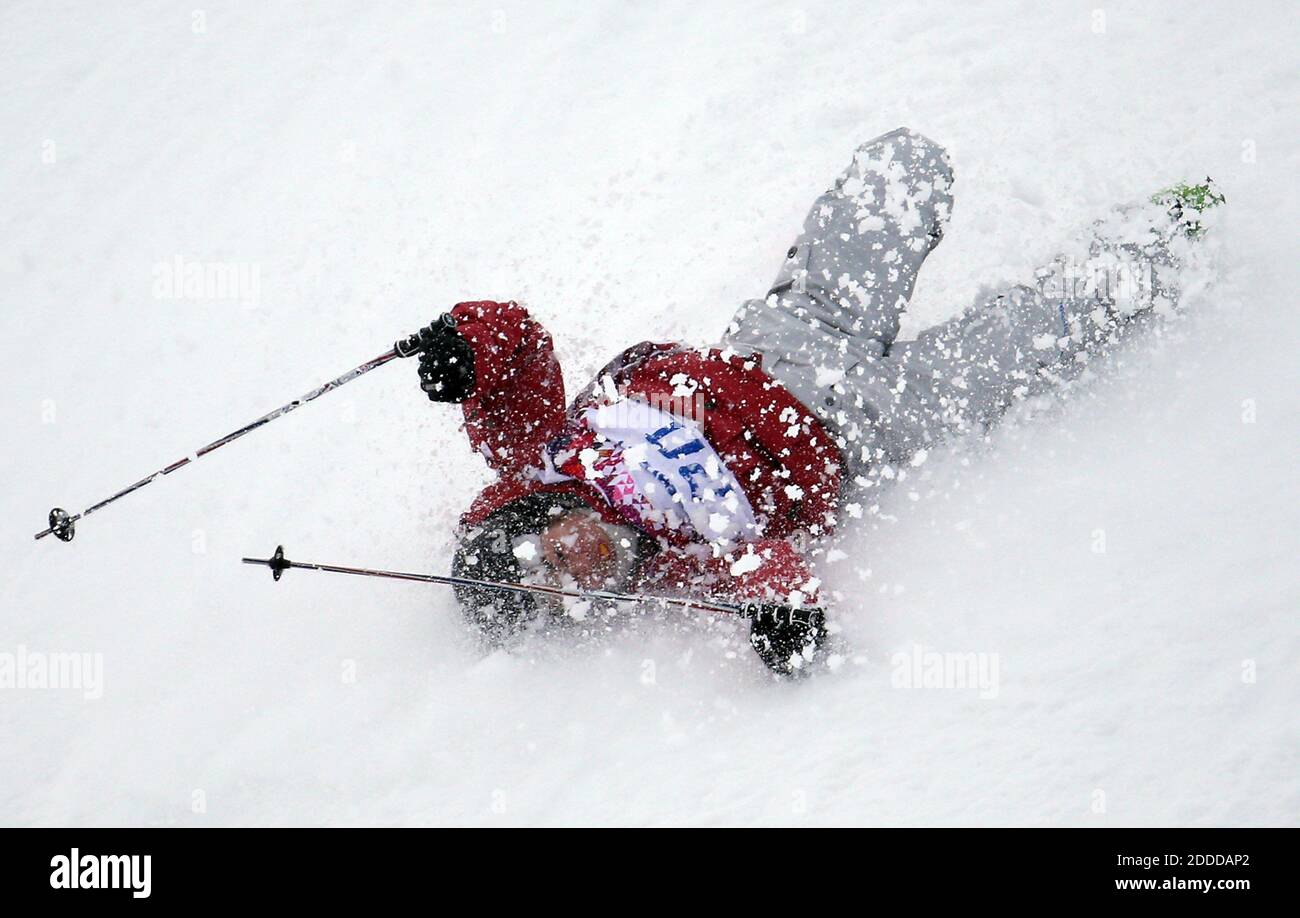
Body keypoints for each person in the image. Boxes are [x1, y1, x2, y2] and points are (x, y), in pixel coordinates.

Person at [410, 128, 1222, 676]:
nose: (582, 570)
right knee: (1024, 340)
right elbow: (761, 568)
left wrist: (461, 344)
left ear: (538, 518)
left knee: (894, 177)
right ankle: (1167, 239)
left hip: (786, 338)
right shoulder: (670, 568)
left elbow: (512, 343)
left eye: (555, 557)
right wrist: (784, 619)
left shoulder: (542, 454)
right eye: (572, 598)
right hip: (862, 424)